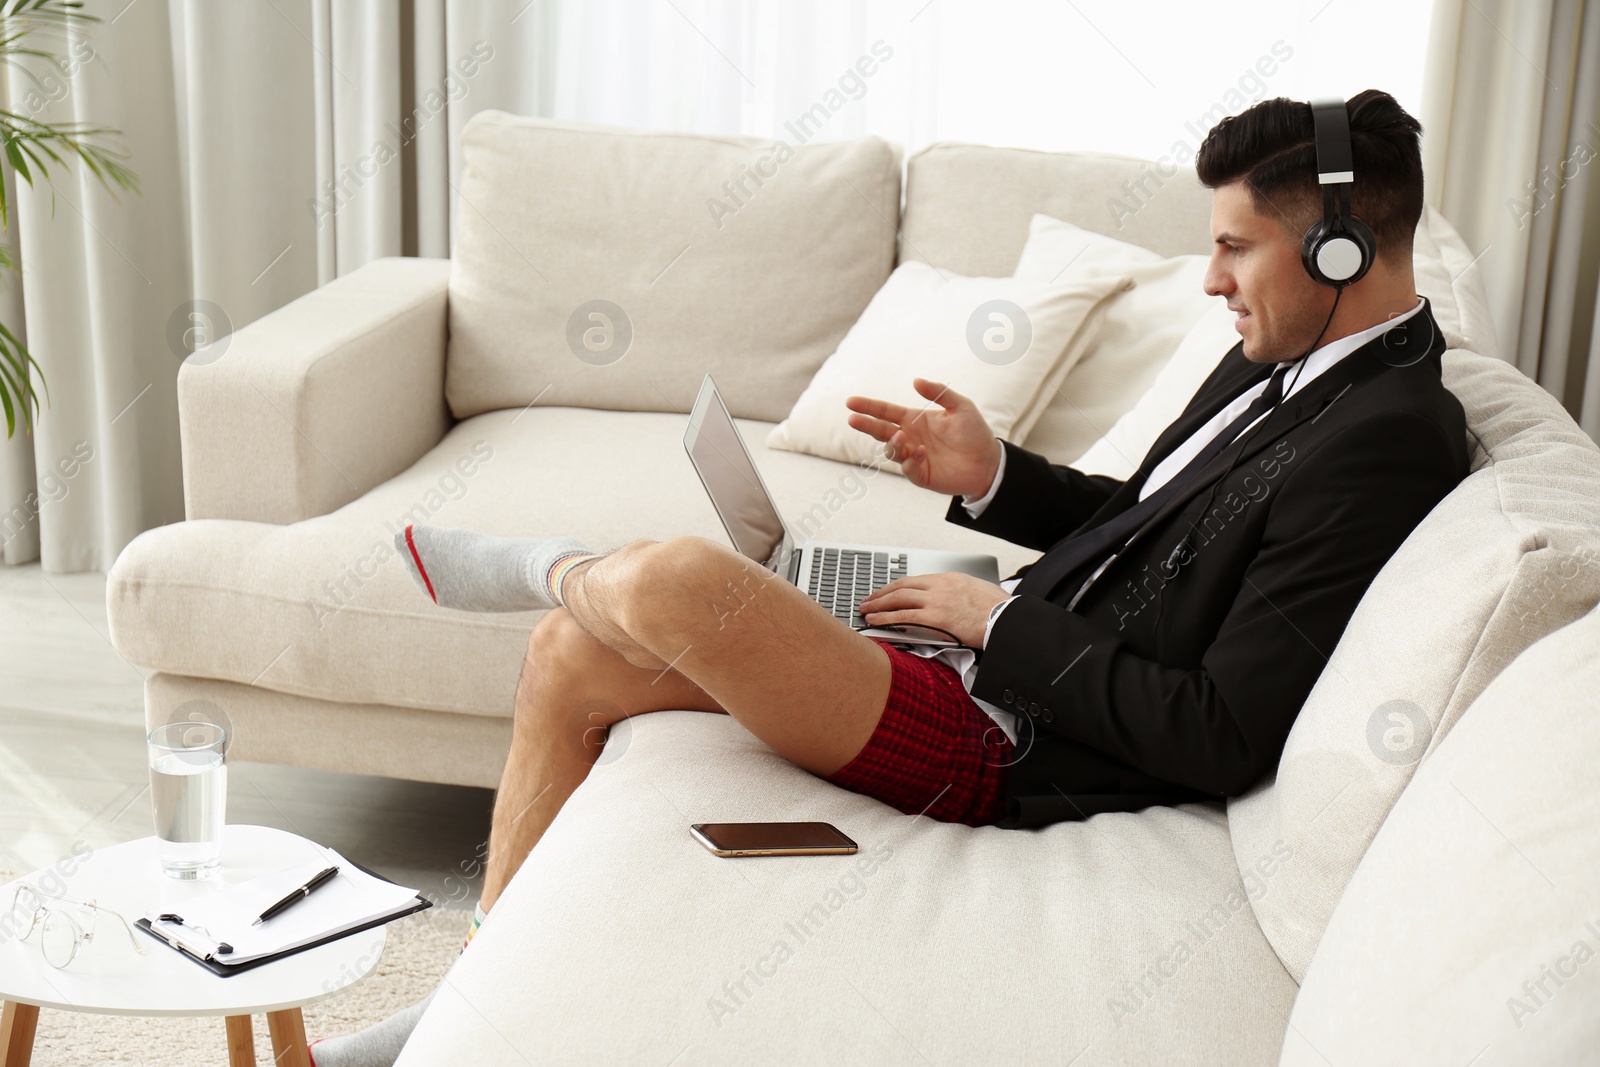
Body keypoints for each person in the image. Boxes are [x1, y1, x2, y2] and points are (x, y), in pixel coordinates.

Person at [307, 88, 1468, 1066]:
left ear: (1337, 249)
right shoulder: (1292, 355)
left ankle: (542, 565)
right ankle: (462, 997)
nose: (1210, 278)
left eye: (1231, 246)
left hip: (1012, 737)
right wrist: (995, 474)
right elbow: (1146, 524)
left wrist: (999, 620)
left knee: (670, 581)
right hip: (985, 660)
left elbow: (1219, 729)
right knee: (572, 652)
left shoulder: (1387, 433)